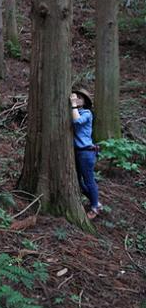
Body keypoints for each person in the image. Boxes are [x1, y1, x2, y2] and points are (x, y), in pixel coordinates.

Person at [71, 88, 102, 219]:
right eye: (75, 96)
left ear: (85, 102)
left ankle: (95, 207)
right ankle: (96, 202)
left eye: (80, 98)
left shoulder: (87, 113)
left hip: (86, 152)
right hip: (77, 152)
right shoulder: (74, 112)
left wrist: (73, 104)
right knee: (77, 182)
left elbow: (77, 121)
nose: (77, 99)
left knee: (89, 180)